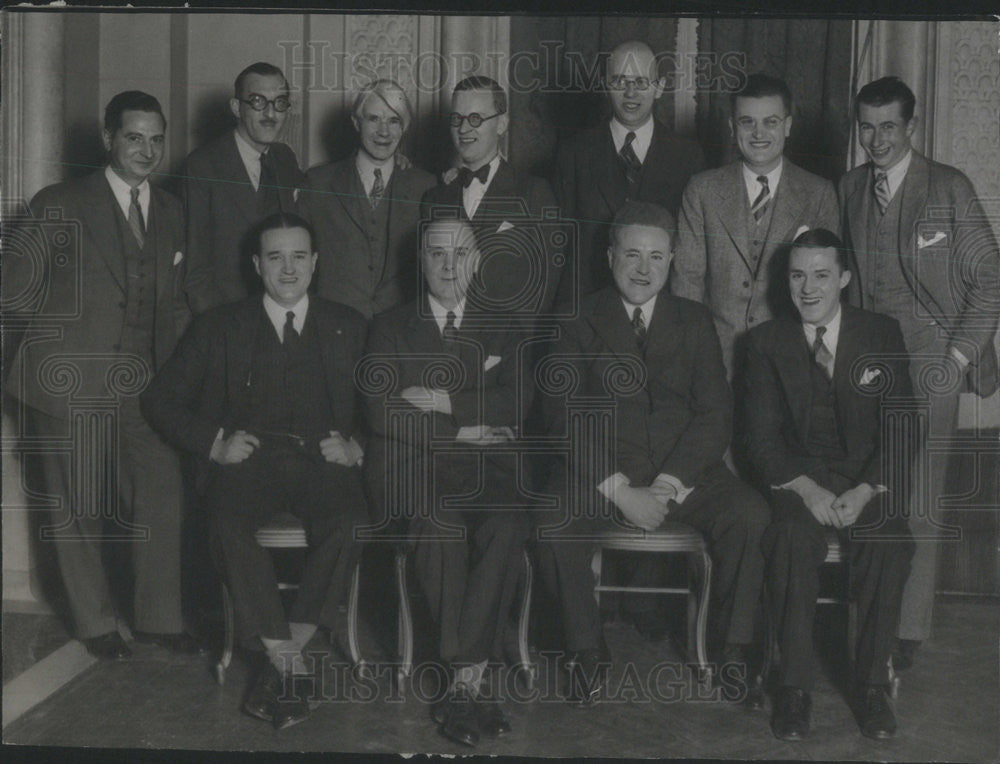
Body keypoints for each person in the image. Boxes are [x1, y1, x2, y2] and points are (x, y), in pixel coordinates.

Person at [536, 201, 769, 707]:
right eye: (633, 255)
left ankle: (730, 651)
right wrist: (619, 490)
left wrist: (667, 485)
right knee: (552, 518)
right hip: (597, 472)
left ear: (671, 262)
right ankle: (585, 650)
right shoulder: (575, 318)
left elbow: (715, 414)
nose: (644, 269)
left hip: (682, 472)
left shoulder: (694, 320)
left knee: (749, 514)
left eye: (657, 258)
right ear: (609, 255)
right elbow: (559, 414)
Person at [141, 213, 368, 729]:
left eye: (298, 256)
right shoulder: (219, 325)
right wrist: (215, 443)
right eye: (275, 257)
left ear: (315, 262)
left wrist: (357, 447)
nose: (288, 269)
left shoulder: (349, 325)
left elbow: (383, 407)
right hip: (249, 462)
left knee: (352, 522)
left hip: (322, 461)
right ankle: (290, 661)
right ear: (256, 264)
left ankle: (283, 655)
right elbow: (160, 400)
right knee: (224, 525)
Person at [3, 91, 200, 660]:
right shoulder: (58, 202)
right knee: (78, 508)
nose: (147, 149)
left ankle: (160, 618)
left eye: (157, 138)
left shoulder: (170, 210)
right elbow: (13, 293)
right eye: (134, 137)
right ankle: (95, 624)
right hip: (69, 382)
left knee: (161, 493)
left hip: (146, 384)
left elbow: (177, 302)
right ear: (109, 139)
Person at [839, 76, 1000, 669]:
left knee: (918, 499)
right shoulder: (850, 186)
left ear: (911, 126)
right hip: (865, 368)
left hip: (933, 362)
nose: (875, 139)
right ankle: (864, 622)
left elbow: (991, 279)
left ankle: (903, 635)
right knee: (866, 486)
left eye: (887, 126)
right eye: (865, 126)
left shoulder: (949, 187)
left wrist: (956, 360)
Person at [361, 217, 530, 747]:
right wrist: (465, 429)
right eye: (437, 254)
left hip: (489, 468)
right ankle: (469, 680)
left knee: (506, 520)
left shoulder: (505, 325)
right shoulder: (389, 325)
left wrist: (448, 404)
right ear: (421, 261)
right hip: (413, 465)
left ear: (477, 262)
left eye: (461, 254)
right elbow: (381, 411)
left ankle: (463, 680)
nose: (449, 266)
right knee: (440, 520)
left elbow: (520, 400)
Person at [742, 229, 915, 740]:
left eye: (821, 275)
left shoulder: (880, 333)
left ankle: (870, 687)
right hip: (800, 483)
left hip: (864, 482)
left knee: (890, 542)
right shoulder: (764, 343)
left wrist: (866, 490)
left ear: (843, 278)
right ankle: (793, 689)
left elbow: (903, 427)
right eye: (797, 275)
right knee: (791, 539)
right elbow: (758, 439)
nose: (808, 288)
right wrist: (806, 490)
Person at [671, 73, 839, 378]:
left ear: (787, 126)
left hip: (791, 363)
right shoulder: (702, 190)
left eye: (770, 122)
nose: (758, 133)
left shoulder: (819, 193)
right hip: (716, 362)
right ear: (732, 128)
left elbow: (827, 293)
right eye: (747, 122)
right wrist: (697, 360)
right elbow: (687, 283)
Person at [554, 39, 705, 300]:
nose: (630, 93)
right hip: (591, 308)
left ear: (659, 88)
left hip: (662, 311)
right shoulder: (574, 152)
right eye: (620, 81)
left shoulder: (688, 156)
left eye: (641, 82)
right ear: (605, 85)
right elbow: (560, 246)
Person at [421, 76, 561, 319]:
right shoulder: (435, 198)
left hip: (510, 348)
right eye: (457, 119)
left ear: (501, 124)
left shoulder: (533, 193)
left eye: (475, 119)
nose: (464, 129)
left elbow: (545, 287)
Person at [300, 79, 435, 320]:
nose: (384, 131)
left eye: (394, 121)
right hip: (333, 327)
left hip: (401, 332)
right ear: (356, 122)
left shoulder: (425, 186)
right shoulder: (317, 183)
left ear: (404, 128)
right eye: (373, 119)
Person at [183, 62, 304, 314]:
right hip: (227, 316)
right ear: (237, 107)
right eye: (258, 102)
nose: (270, 114)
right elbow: (195, 270)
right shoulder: (202, 166)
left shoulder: (285, 159)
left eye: (280, 103)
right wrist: (215, 331)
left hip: (281, 312)